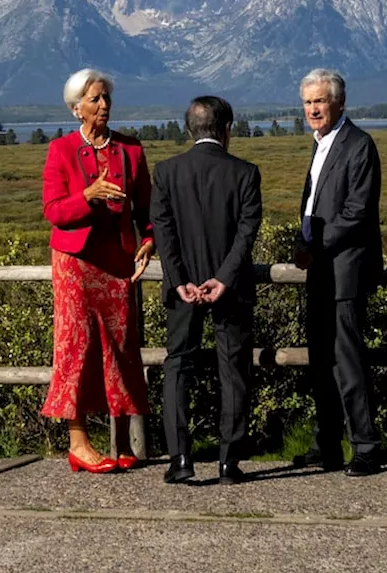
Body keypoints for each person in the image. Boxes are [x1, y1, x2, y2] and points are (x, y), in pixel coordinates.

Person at [41, 69, 154, 474]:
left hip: (117, 263)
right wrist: (88, 196)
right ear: (76, 109)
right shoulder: (61, 151)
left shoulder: (131, 150)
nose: (103, 105)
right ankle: (79, 442)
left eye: (105, 98)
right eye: (94, 100)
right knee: (77, 344)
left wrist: (148, 241)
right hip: (75, 264)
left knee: (121, 346)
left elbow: (148, 212)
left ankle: (121, 441)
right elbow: (53, 211)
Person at [151, 96, 262, 486]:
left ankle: (180, 457)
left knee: (178, 365)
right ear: (227, 128)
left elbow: (163, 232)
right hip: (229, 290)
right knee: (233, 371)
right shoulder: (246, 173)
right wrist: (225, 277)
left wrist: (179, 279)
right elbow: (247, 233)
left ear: (189, 130)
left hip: (182, 289)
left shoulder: (166, 172)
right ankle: (229, 462)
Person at [291, 68, 383, 477]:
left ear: (340, 103)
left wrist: (314, 246)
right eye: (308, 102)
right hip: (320, 270)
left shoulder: (358, 145)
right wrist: (303, 239)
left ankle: (365, 447)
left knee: (347, 361)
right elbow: (316, 207)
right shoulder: (322, 143)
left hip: (344, 271)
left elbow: (357, 213)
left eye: (320, 101)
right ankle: (327, 443)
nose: (313, 108)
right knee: (320, 361)